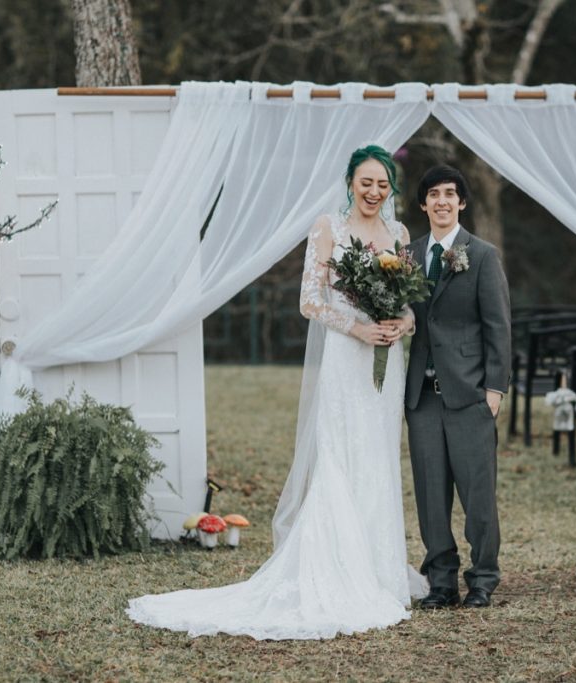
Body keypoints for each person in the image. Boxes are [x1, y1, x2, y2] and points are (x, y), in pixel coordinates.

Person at [126, 145, 428, 639]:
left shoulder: (398, 234)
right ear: (350, 182)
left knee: (377, 457)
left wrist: (401, 324)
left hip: (385, 361)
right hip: (346, 358)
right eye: (365, 182)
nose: (374, 192)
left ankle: (379, 569)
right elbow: (310, 301)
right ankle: (336, 569)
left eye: (382, 184)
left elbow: (411, 303)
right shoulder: (326, 227)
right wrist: (357, 330)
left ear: (391, 189)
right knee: (340, 455)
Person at [404, 165, 512, 609]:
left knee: (477, 494)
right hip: (422, 397)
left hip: (470, 395)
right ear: (423, 204)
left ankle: (482, 578)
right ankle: (442, 581)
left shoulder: (482, 255)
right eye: (434, 194)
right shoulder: (406, 255)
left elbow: (499, 327)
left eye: (451, 194)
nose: (442, 201)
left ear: (462, 203)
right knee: (431, 494)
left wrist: (495, 390)